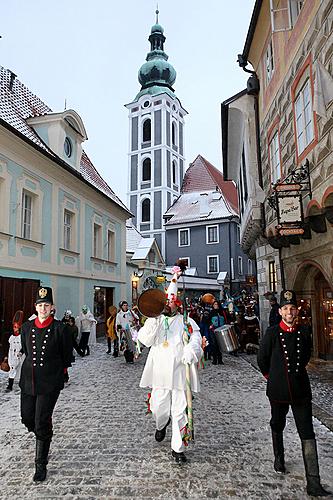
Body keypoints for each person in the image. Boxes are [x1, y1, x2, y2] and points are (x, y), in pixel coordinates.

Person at [257, 289, 330, 497]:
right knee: (277, 423)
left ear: (297, 311)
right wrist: (271, 377)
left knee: (307, 432)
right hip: (278, 389)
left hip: (300, 389)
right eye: (286, 309)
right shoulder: (272, 333)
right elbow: (262, 359)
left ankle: (313, 481)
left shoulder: (304, 331)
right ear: (280, 311)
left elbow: (305, 354)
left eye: (292, 309)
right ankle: (279, 457)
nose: (290, 312)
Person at [138, 267, 202, 464]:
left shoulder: (186, 321)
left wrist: (191, 351)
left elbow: (196, 339)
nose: (168, 306)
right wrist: (153, 320)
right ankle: (161, 424)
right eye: (166, 302)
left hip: (180, 374)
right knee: (158, 407)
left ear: (177, 305)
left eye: (171, 302)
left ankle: (178, 448)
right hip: (159, 374)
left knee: (179, 411)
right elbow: (145, 340)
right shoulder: (154, 320)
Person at [19, 286, 73, 482]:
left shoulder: (60, 329)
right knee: (27, 417)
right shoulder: (26, 327)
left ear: (52, 307)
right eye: (40, 305)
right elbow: (26, 350)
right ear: (35, 307)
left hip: (49, 382)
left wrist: (62, 373)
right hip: (28, 380)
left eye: (47, 305)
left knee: (41, 421)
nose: (43, 308)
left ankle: (40, 463)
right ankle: (44, 436)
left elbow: (66, 355)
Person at [5, 311, 24, 392]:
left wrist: (21, 352)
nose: (14, 328)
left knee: (21, 370)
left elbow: (24, 346)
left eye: (16, 327)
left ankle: (23, 384)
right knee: (12, 369)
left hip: (20, 356)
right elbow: (9, 347)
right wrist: (6, 356)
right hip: (12, 355)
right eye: (14, 327)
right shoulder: (11, 337)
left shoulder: (22, 337)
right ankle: (10, 385)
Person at [209, 300, 225, 365]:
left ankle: (220, 360)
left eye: (217, 304)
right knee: (214, 344)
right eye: (215, 304)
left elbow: (226, 320)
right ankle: (215, 360)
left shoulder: (222, 312)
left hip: (221, 330)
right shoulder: (211, 312)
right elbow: (208, 320)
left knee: (220, 345)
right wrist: (210, 325)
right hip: (213, 330)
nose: (216, 305)